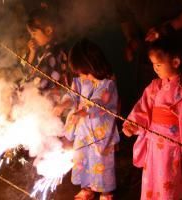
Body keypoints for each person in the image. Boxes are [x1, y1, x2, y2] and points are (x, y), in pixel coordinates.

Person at [122, 38, 182, 200]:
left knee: (169, 186)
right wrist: (133, 125)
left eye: (158, 65)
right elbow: (142, 110)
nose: (154, 69)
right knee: (151, 183)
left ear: (175, 62)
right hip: (153, 144)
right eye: (153, 64)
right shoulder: (154, 87)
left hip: (173, 148)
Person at [55, 39, 120, 200]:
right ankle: (87, 188)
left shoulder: (107, 84)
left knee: (101, 163)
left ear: (94, 65)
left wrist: (84, 111)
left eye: (83, 72)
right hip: (83, 130)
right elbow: (72, 95)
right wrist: (63, 105)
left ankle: (105, 192)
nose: (81, 76)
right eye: (78, 73)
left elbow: (99, 103)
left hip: (100, 133)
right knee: (82, 159)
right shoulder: (81, 80)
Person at [115, 0, 182, 100]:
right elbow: (124, 17)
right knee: (151, 100)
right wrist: (130, 39)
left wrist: (166, 28)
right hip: (149, 56)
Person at [25, 8, 71, 104]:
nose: (32, 38)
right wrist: (32, 53)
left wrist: (27, 93)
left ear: (48, 30)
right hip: (40, 100)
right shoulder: (41, 51)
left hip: (53, 103)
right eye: (31, 35)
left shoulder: (57, 51)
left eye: (34, 34)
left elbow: (45, 83)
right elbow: (27, 74)